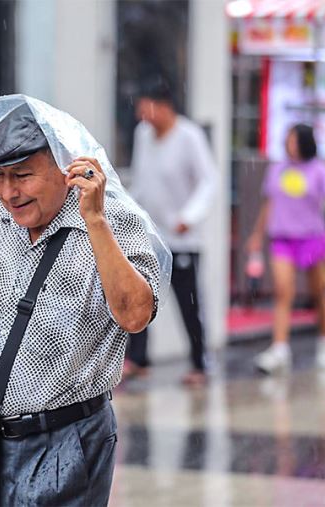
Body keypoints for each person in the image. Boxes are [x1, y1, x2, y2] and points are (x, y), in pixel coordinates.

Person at [0, 103, 162, 505]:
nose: (9, 192)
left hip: (71, 439)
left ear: (65, 167)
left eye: (23, 175)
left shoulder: (114, 220)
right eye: (0, 177)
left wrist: (96, 222)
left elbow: (135, 315)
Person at [125, 81, 217, 386]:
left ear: (164, 106)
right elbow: (141, 180)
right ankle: (139, 357)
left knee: (188, 303)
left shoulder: (189, 136)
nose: (142, 116)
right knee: (141, 296)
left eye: (146, 108)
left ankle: (199, 362)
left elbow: (209, 181)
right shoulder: (143, 136)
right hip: (151, 236)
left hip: (182, 239)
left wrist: (188, 217)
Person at [247, 123, 325, 374]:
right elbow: (269, 204)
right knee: (283, 292)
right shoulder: (277, 170)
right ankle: (280, 348)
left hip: (311, 238)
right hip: (282, 238)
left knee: (319, 293)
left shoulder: (319, 170)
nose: (288, 143)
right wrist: (256, 234)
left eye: (293, 139)